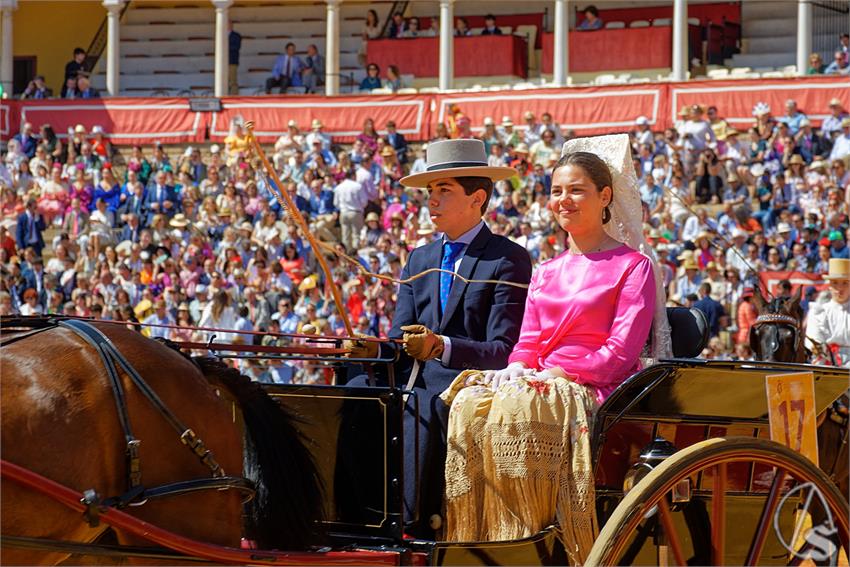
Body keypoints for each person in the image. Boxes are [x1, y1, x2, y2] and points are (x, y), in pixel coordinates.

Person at [439, 136, 669, 564]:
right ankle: (484, 533)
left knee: (526, 407)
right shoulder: (546, 270)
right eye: (557, 191)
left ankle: (537, 532)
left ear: (604, 196)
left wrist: (563, 374)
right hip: (541, 378)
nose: (564, 200)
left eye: (576, 190)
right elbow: (528, 341)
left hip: (599, 386)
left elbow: (621, 351)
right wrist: (517, 368)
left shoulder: (633, 266)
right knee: (470, 401)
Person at [340, 139, 532, 538]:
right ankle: (352, 517)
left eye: (444, 191)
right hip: (414, 378)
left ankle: (411, 525)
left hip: (464, 381)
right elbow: (399, 340)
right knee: (357, 388)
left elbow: (502, 349)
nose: (432, 202)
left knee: (421, 404)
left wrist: (439, 346)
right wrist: (373, 349)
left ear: (477, 198)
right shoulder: (420, 258)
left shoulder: (506, 258)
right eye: (430, 192)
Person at [806, 258, 850, 367]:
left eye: (845, 283)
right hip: (826, 363)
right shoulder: (819, 312)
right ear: (829, 286)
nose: (840, 288)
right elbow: (814, 341)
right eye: (835, 283)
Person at [228, 22, 242, 95]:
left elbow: (236, 47)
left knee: (233, 80)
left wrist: (225, 47)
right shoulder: (220, 34)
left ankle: (234, 95)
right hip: (222, 62)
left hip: (232, 61)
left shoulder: (236, 36)